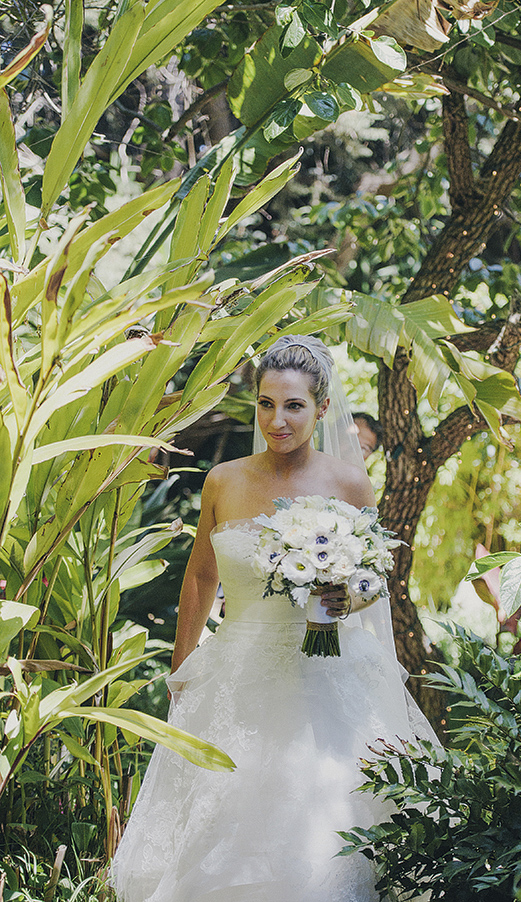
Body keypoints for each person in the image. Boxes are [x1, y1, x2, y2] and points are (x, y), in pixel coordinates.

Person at [110, 335, 437, 902]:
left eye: (293, 406)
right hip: (235, 675)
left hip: (326, 676)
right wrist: (181, 666)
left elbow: (372, 579)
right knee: (223, 827)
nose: (277, 419)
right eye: (266, 404)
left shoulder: (349, 484)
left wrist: (345, 598)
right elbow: (200, 576)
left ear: (323, 408)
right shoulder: (224, 480)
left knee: (322, 829)